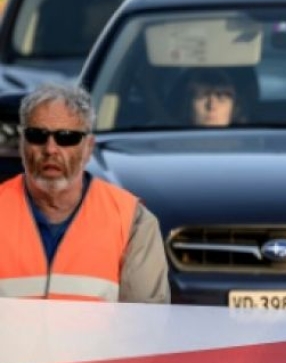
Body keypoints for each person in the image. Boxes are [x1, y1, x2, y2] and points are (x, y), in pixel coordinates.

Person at [0, 83, 170, 302]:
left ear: (88, 147)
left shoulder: (131, 222)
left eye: (66, 137)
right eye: (37, 135)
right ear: (22, 143)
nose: (50, 149)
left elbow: (146, 325)